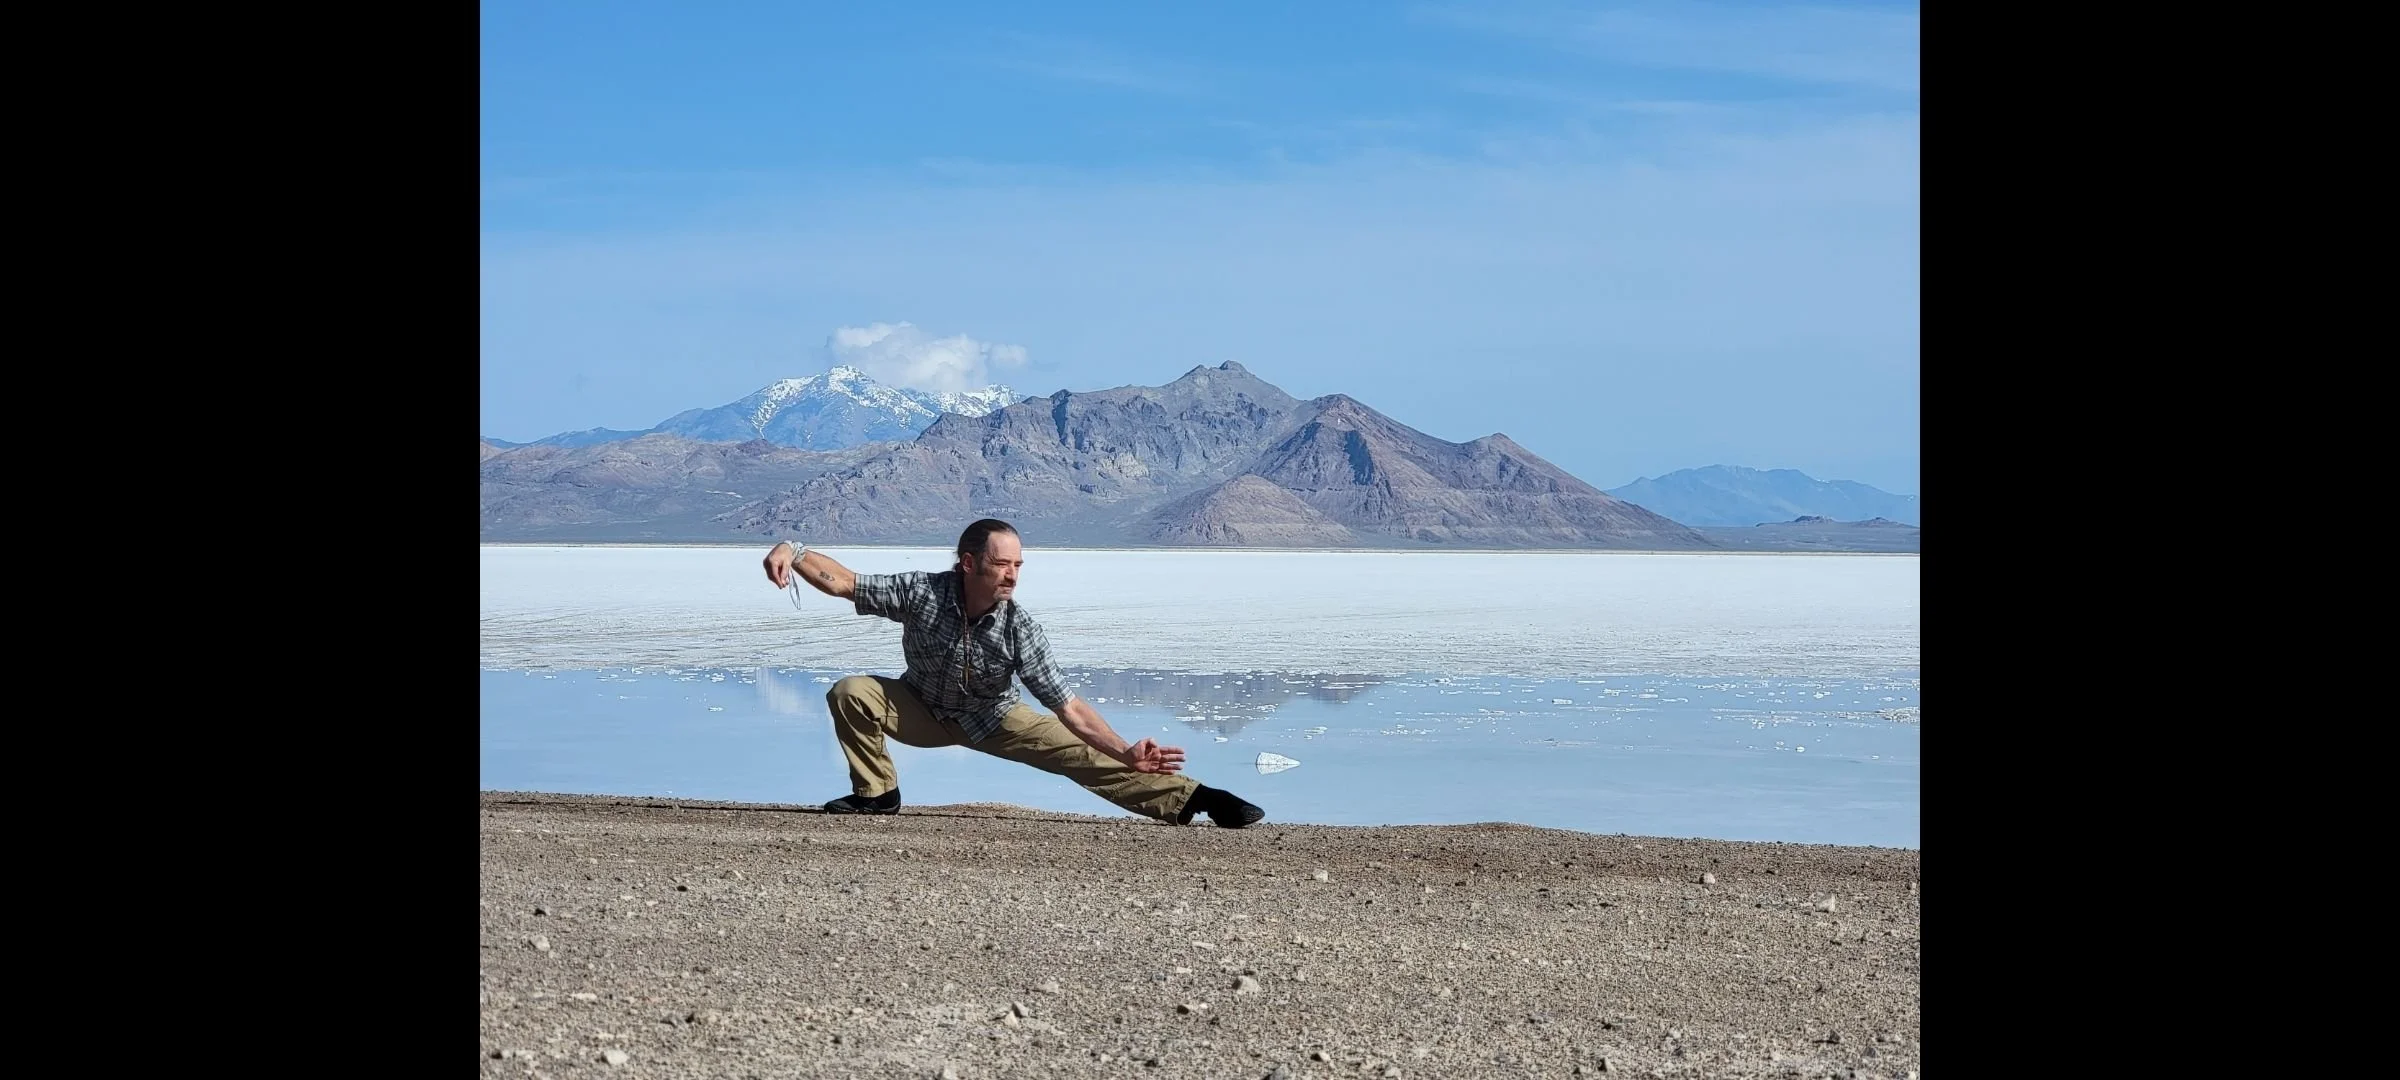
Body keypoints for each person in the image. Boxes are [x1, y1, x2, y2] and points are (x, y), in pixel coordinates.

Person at [760, 518, 1267, 828]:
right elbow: (846, 583)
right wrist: (794, 551)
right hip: (921, 708)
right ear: (968, 563)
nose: (1013, 575)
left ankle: (1198, 799)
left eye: (1019, 565)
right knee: (851, 692)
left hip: (993, 718)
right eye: (1003, 564)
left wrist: (1126, 750)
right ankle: (877, 795)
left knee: (1082, 755)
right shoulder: (922, 593)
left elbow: (1069, 708)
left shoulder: (1019, 629)